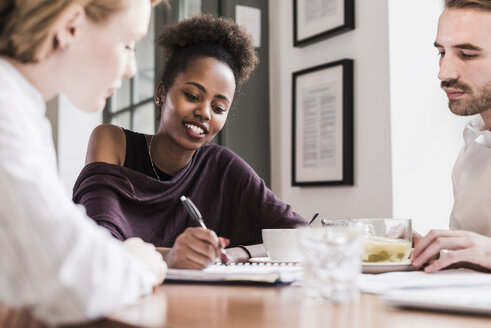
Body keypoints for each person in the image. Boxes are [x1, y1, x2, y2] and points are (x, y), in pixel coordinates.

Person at [73, 14, 307, 270]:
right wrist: (171, 256)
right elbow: (97, 243)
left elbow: (300, 233)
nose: (205, 113)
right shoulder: (112, 142)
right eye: (192, 95)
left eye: (218, 107)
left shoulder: (223, 166)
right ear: (161, 93)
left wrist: (237, 253)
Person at [0, 0, 168, 325]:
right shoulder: (6, 110)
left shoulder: (22, 107)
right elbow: (76, 276)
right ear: (71, 25)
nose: (132, 68)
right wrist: (137, 263)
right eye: (128, 44)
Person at [410, 0, 491, 273]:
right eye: (442, 53)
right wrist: (436, 255)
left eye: (467, 54)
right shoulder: (474, 149)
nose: (444, 73)